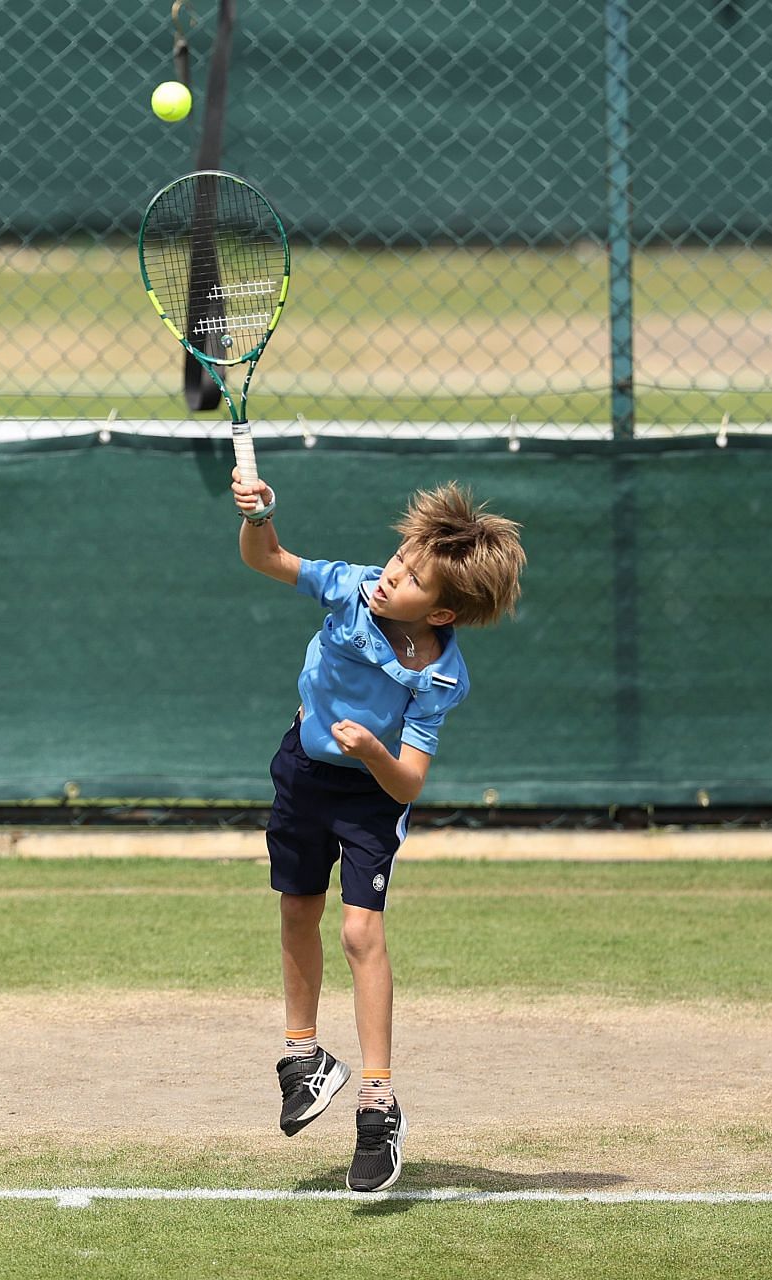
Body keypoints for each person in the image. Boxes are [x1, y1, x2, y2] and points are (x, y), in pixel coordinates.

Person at [229, 471, 524, 1192]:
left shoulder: (442, 678)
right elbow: (267, 559)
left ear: (446, 612)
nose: (391, 576)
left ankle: (379, 1101)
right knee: (297, 905)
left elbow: (409, 782)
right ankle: (304, 1059)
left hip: (369, 795)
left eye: (412, 577)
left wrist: (373, 753)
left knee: (361, 933)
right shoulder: (352, 587)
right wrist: (260, 514)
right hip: (302, 768)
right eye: (398, 560)